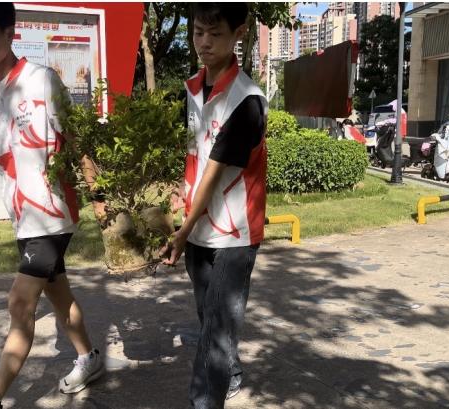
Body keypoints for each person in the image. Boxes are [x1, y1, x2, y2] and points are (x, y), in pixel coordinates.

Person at [0, 3, 104, 408]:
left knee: (19, 302)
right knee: (59, 295)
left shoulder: (42, 80)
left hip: (52, 213)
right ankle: (89, 357)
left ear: (9, 32)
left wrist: (99, 198)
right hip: (22, 217)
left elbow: (77, 140)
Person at [161, 3, 268, 408]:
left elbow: (214, 171)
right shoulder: (193, 88)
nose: (203, 43)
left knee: (218, 332)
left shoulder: (247, 101)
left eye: (215, 33)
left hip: (235, 231)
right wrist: (178, 190)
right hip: (199, 225)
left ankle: (205, 401)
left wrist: (182, 231)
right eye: (197, 32)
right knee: (209, 315)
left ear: (239, 33)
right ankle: (232, 373)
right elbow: (194, 154)